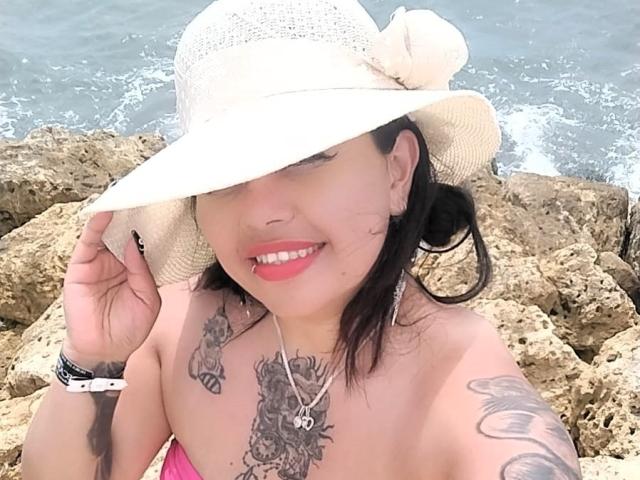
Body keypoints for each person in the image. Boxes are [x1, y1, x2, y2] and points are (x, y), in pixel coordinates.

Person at [22, 0, 583, 479]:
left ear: (397, 172)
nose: (262, 213)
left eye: (306, 158)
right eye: (223, 176)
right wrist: (92, 359)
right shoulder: (179, 326)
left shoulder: (460, 386)